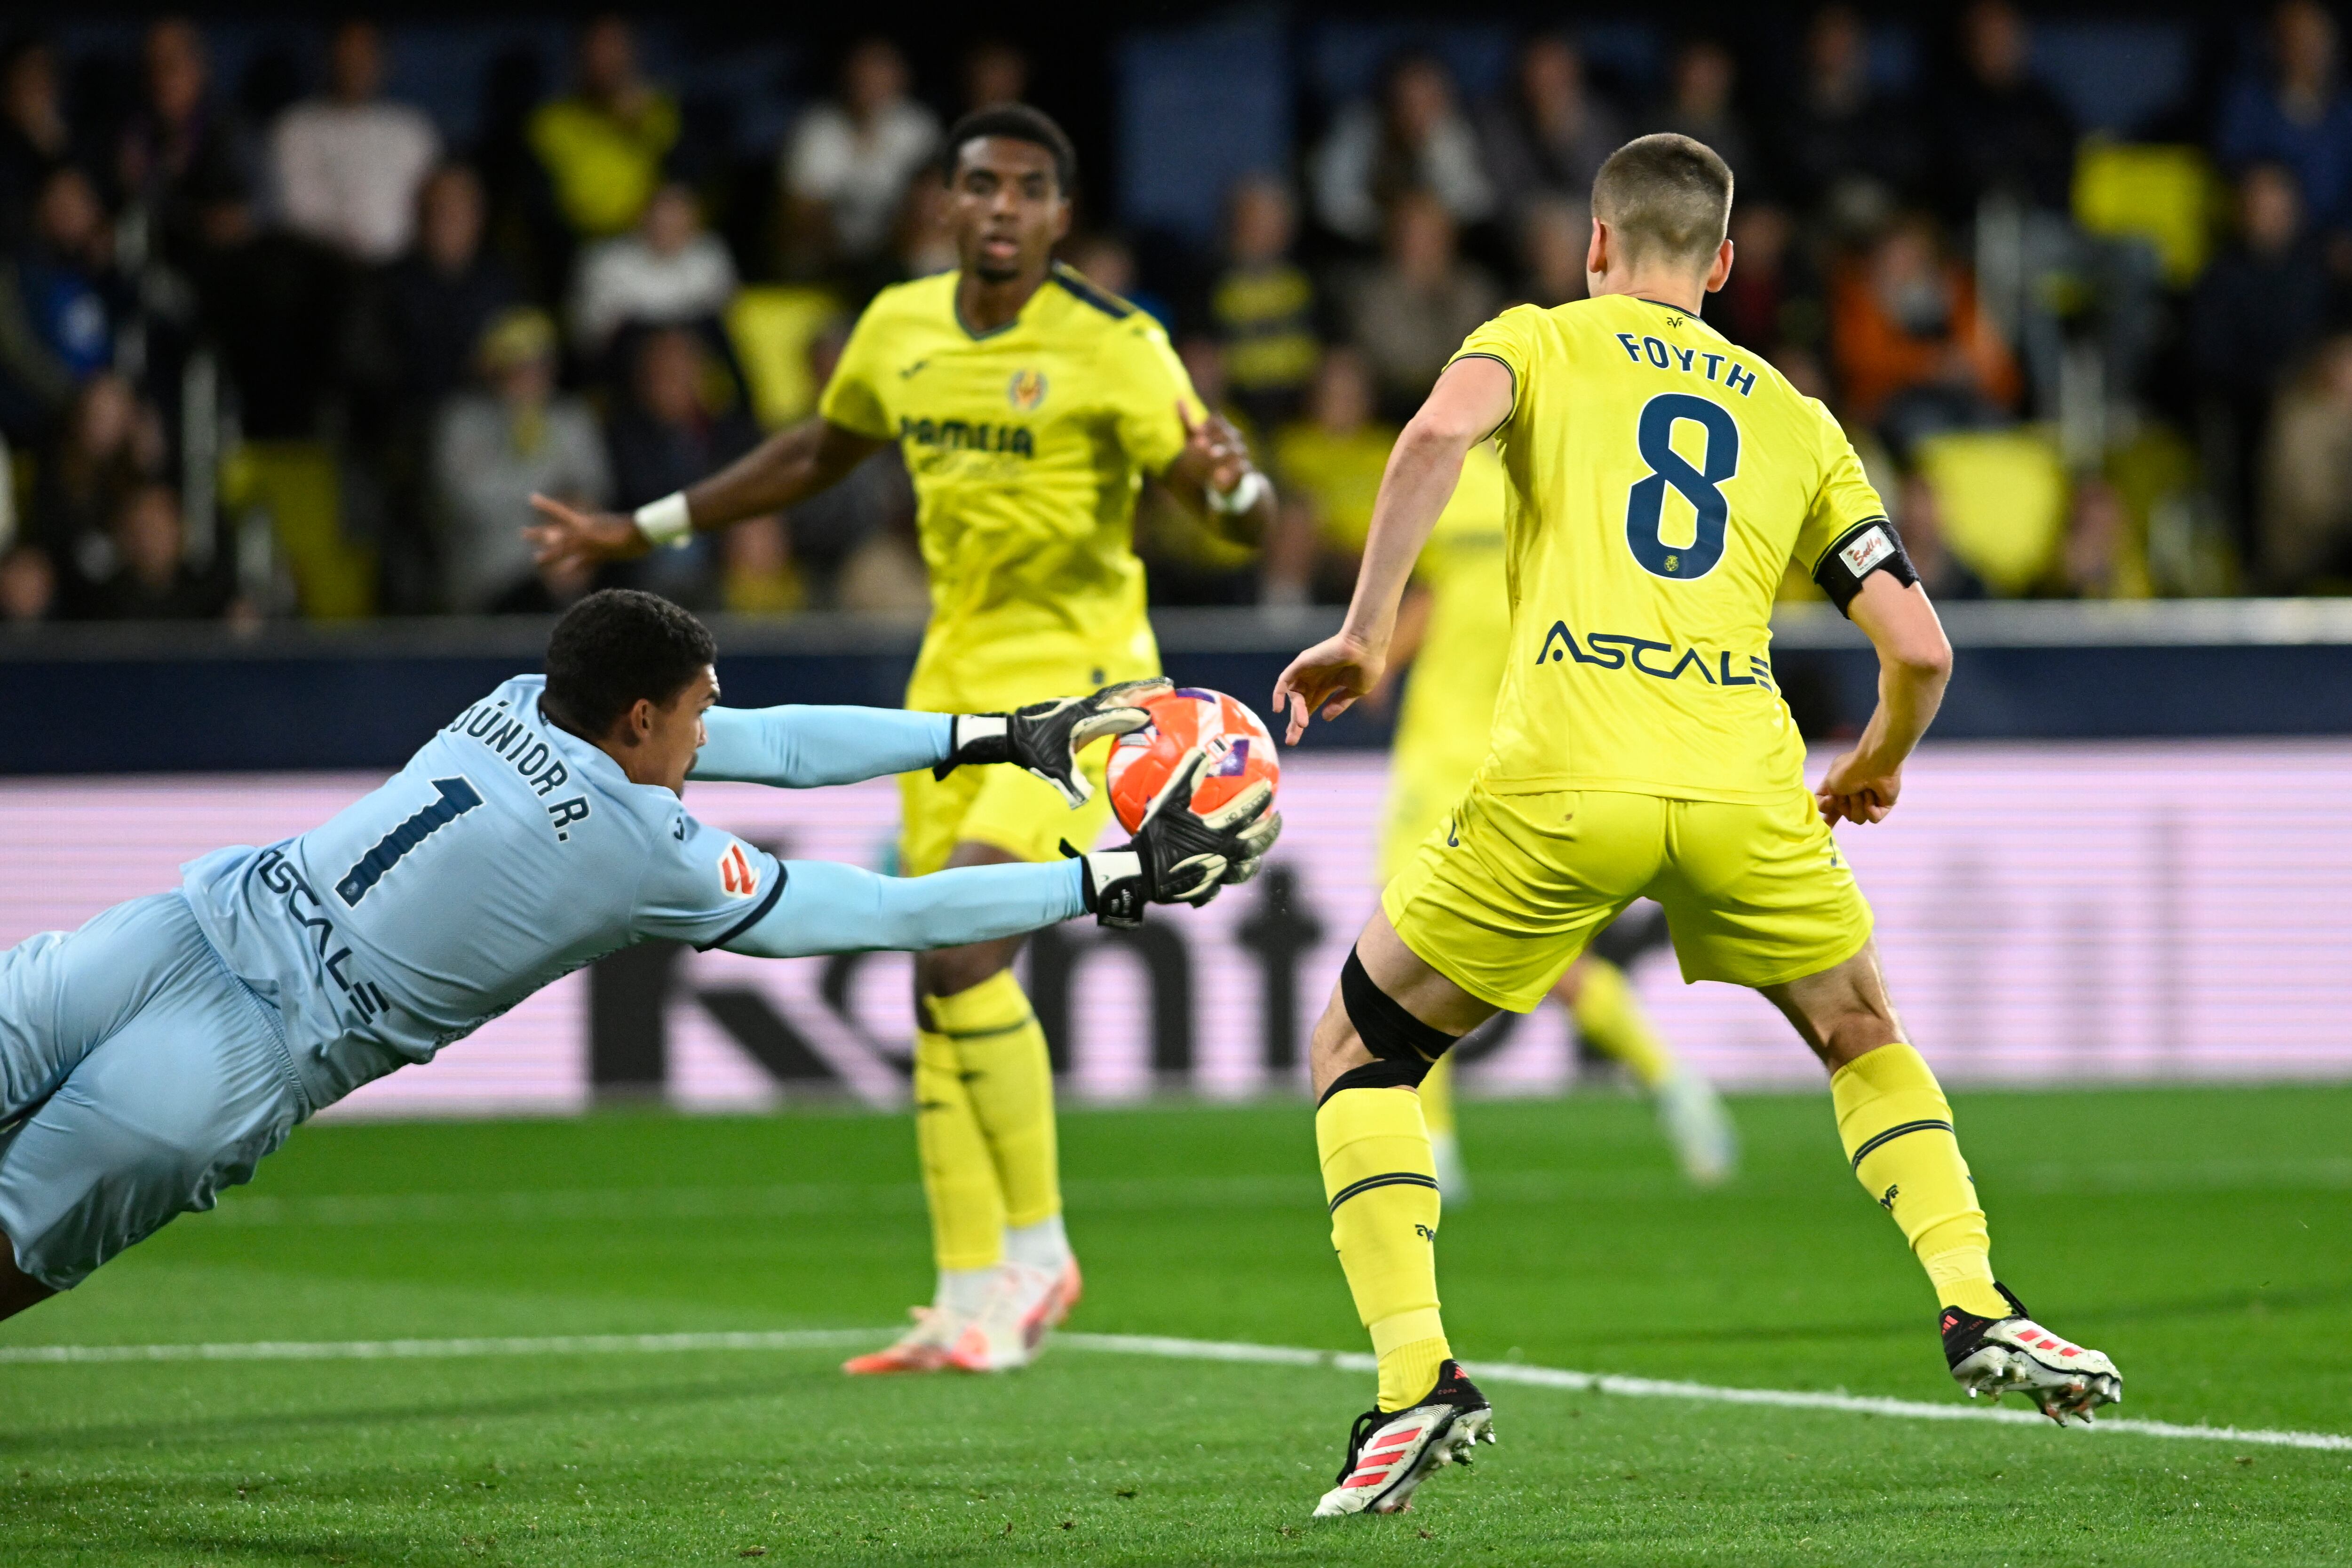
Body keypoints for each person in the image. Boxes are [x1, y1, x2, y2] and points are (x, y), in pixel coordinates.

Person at [1272, 133, 2121, 1519]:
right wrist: (1875, 765)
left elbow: (1430, 436)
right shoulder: (1797, 417)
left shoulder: (1538, 340)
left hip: (1565, 781)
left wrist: (1367, 633)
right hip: (1743, 782)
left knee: (1361, 1043)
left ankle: (1416, 1376)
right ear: (1722, 265)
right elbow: (1918, 645)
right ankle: (1973, 1298)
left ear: (1594, 246)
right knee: (1860, 1032)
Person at [524, 106, 1278, 1375]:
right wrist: (639, 527)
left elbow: (1236, 512)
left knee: (963, 948)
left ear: (1059, 217)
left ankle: (1041, 1250)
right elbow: (821, 448)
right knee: (929, 962)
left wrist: (1239, 484)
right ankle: (963, 1289)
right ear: (946, 202)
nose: (998, 205)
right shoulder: (899, 328)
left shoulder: (1118, 346)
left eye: (1027, 189)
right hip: (947, 689)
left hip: (1081, 696)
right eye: (979, 182)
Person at [0, 588, 1277, 1323]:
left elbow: (775, 743)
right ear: (644, 718)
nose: (715, 723)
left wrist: (996, 735)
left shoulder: (517, 699)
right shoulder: (640, 852)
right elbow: (882, 912)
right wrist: (1100, 874)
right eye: (698, 706)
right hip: (241, 1050)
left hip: (172, 926)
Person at [1372, 439, 1736, 1196]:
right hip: (1491, 755)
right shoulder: (1560, 480)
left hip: (1481, 757)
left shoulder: (1511, 478)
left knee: (1453, 952)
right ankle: (1667, 1084)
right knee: (1490, 955)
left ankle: (1441, 1145)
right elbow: (1442, 594)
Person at [430, 307, 609, 612]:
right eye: (516, 365)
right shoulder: (462, 422)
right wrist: (545, 494)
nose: (528, 376)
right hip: (486, 572)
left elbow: (594, 493)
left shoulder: (571, 418)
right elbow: (467, 504)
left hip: (557, 573)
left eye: (538, 364)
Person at [268, 19, 440, 264]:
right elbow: (295, 214)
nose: (355, 63)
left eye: (366, 53)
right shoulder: (296, 128)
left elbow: (435, 211)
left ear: (384, 60)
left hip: (403, 273)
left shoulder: (412, 130)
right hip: (319, 270)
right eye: (347, 52)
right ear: (326, 57)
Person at [782, 38, 940, 272]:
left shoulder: (916, 127)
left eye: (881, 72)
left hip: (897, 244)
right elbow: (803, 207)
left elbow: (931, 199)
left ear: (901, 77)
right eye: (864, 73)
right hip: (834, 252)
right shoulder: (818, 128)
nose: (871, 82)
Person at [1313, 54, 1496, 245]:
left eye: (1427, 98)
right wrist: (1395, 223)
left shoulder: (1454, 132)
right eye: (1407, 99)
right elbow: (1335, 205)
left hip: (1445, 245)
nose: (1416, 109)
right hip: (1366, 244)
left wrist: (1425, 217)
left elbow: (1474, 203)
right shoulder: (1359, 127)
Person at [527, 16, 678, 242]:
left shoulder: (659, 113)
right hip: (576, 244)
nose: (607, 61)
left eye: (615, 47)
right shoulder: (551, 121)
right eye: (598, 48)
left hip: (650, 245)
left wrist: (637, 124)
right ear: (579, 55)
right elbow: (539, 203)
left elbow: (683, 183)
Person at [569, 181, 737, 354]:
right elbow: (593, 333)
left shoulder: (711, 257)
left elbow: (726, 322)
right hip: (628, 356)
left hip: (694, 353)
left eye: (676, 221)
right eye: (661, 219)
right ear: (642, 217)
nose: (666, 228)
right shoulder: (606, 260)